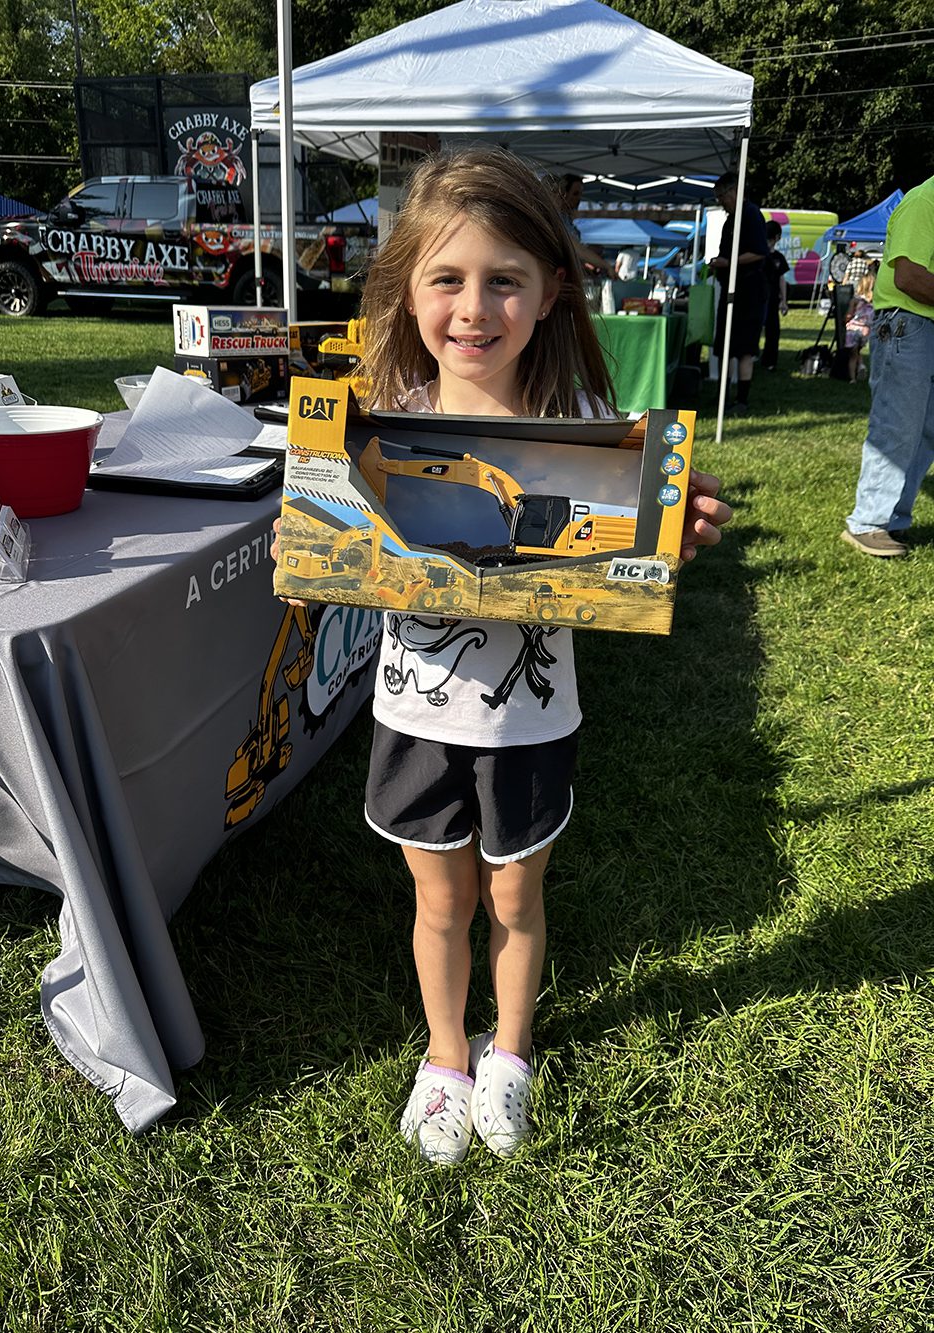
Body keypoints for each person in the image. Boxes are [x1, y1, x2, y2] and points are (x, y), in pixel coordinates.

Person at [273, 147, 731, 1165]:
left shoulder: (591, 442)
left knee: (515, 897)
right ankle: (444, 1056)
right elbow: (329, 570)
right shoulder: (370, 429)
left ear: (551, 291)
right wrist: (305, 558)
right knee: (438, 902)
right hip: (414, 718)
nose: (472, 307)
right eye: (446, 277)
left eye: (502, 280)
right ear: (406, 289)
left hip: (529, 720)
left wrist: (677, 538)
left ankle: (509, 1050)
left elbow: (632, 561)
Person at [844, 178, 934, 557]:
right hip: (908, 324)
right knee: (898, 426)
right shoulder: (925, 201)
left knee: (925, 430)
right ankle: (868, 522)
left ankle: (890, 520)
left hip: (917, 325)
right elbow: (908, 276)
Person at [709, 171, 770, 414]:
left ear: (733, 192)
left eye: (721, 196)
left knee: (744, 348)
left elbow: (759, 251)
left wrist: (728, 262)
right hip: (731, 288)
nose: (720, 202)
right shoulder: (731, 219)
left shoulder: (751, 215)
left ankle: (742, 400)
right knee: (726, 346)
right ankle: (723, 396)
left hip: (749, 291)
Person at [551, 173, 614, 279]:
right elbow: (576, 249)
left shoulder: (567, 220)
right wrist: (606, 266)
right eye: (575, 194)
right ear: (563, 194)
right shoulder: (556, 220)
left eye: (580, 194)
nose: (579, 199)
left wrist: (586, 269)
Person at [760, 220, 790, 371]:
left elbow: (781, 279)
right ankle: (760, 358)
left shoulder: (777, 257)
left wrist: (783, 300)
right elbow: (781, 280)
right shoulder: (760, 255)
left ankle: (769, 360)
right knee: (762, 329)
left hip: (770, 299)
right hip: (761, 297)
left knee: (772, 331)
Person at [843, 267, 875, 384]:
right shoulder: (873, 301)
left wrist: (845, 319)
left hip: (853, 328)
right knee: (858, 351)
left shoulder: (855, 300)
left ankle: (852, 378)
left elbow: (849, 315)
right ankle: (861, 365)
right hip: (866, 330)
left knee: (852, 354)